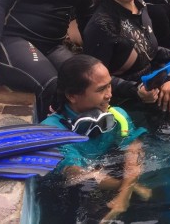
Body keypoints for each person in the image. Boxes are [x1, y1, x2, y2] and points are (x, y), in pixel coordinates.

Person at [41, 54, 150, 222]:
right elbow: (76, 175)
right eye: (101, 89)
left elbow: (133, 149)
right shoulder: (52, 131)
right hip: (73, 194)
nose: (109, 95)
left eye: (109, 86)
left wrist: (125, 193)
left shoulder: (118, 116)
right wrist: (128, 187)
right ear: (71, 95)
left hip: (110, 175)